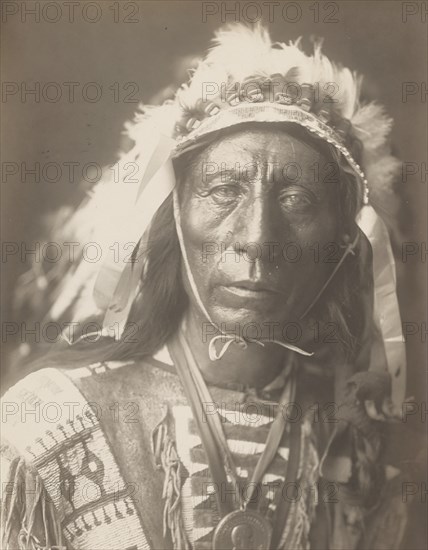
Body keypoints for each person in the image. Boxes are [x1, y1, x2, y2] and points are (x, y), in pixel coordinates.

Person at [1, 24, 416, 550]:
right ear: (175, 217)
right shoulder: (48, 424)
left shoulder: (358, 447)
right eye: (223, 191)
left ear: (340, 239)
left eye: (298, 200)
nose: (259, 240)